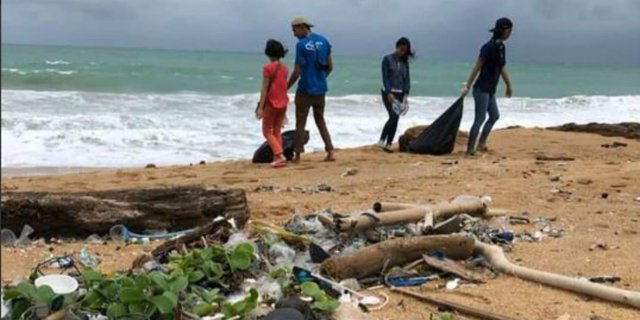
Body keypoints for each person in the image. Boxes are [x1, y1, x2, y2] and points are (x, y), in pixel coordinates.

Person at [462, 17, 514, 156]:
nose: (510, 33)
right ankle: (470, 149)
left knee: (494, 116)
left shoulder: (501, 47)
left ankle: (482, 143)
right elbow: (477, 67)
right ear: (504, 30)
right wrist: (467, 85)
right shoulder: (488, 47)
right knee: (479, 119)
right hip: (481, 89)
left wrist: (508, 85)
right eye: (509, 30)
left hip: (491, 89)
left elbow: (502, 67)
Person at [287, 16, 335, 162]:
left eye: (294, 30)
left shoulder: (301, 45)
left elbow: (297, 71)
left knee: (300, 121)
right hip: (321, 89)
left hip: (305, 89)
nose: (294, 34)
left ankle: (298, 155)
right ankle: (330, 151)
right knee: (320, 120)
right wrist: (320, 79)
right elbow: (330, 67)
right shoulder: (324, 41)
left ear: (302, 27)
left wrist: (286, 87)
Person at [256, 39, 289, 168]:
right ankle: (277, 157)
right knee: (276, 131)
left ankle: (280, 155)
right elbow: (284, 86)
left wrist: (260, 107)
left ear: (268, 53)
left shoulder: (268, 68)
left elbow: (264, 89)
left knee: (266, 132)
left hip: (271, 103)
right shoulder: (285, 68)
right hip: (283, 103)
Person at [378, 37, 414, 152]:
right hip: (388, 93)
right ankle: (382, 140)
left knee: (396, 118)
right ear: (397, 47)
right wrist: (388, 92)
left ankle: (389, 143)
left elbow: (407, 79)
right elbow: (385, 77)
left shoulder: (405, 63)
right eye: (401, 49)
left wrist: (406, 94)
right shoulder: (387, 59)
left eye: (405, 51)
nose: (403, 52)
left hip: (400, 94)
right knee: (392, 116)